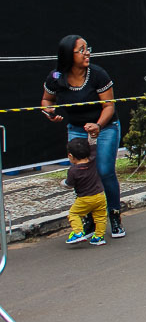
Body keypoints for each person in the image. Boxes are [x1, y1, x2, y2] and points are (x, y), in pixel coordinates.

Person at [41, 35, 125, 239]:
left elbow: (109, 106)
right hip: (77, 129)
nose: (87, 53)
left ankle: (114, 215)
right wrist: (49, 112)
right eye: (82, 50)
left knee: (104, 171)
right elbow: (46, 100)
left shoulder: (98, 74)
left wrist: (98, 125)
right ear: (69, 54)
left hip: (105, 127)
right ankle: (89, 219)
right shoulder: (55, 77)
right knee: (82, 172)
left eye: (88, 48)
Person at [61, 138, 108, 246]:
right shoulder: (93, 161)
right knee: (100, 217)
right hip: (100, 195)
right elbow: (94, 146)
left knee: (74, 213)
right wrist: (92, 136)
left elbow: (69, 184)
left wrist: (62, 183)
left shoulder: (73, 171)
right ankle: (99, 237)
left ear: (71, 156)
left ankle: (78, 232)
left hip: (85, 199)